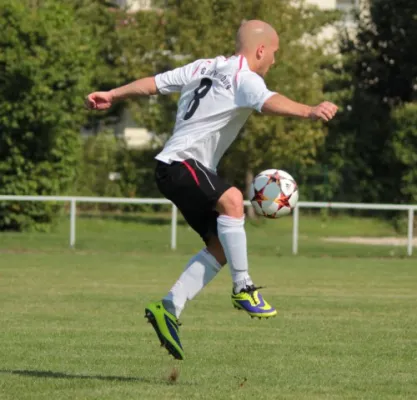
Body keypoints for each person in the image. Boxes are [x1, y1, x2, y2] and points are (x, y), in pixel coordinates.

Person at [86, 20, 338, 361]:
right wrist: (309, 110)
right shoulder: (245, 78)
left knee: (221, 246)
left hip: (174, 168)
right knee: (233, 200)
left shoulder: (204, 66)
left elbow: (153, 85)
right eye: (275, 54)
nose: (274, 62)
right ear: (261, 50)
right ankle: (243, 288)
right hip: (181, 163)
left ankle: (168, 308)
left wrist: (113, 94)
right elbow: (268, 101)